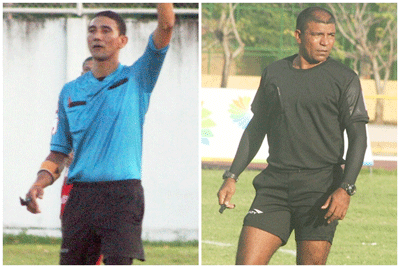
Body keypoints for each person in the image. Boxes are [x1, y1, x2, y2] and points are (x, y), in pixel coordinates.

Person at [23, 4, 175, 265]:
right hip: (80, 197)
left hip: (122, 195)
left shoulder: (138, 77)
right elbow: (59, 151)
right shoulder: (70, 91)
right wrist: (39, 183)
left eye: (106, 30)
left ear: (122, 41)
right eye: (92, 30)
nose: (97, 36)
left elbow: (166, 25)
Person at [217, 6, 369, 265]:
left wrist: (345, 188)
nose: (326, 42)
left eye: (331, 35)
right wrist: (232, 176)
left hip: (320, 190)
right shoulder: (275, 73)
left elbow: (358, 138)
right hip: (274, 187)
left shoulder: (345, 78)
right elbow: (256, 128)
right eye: (318, 34)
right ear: (298, 36)